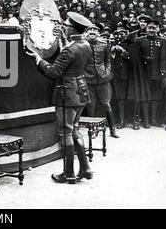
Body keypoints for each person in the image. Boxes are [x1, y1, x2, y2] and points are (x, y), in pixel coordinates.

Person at [27, 12, 94, 184]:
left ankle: (68, 173)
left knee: (65, 132)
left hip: (67, 94)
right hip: (81, 91)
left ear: (72, 28)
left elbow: (53, 72)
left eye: (66, 25)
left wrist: (39, 59)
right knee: (74, 130)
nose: (64, 26)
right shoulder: (85, 44)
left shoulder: (70, 49)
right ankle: (85, 168)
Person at [84, 23, 119, 138]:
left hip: (103, 78)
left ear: (98, 33)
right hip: (88, 78)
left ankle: (112, 129)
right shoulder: (83, 45)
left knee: (106, 104)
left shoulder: (103, 45)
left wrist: (107, 71)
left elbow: (107, 60)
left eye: (95, 30)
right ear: (87, 32)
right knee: (91, 105)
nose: (92, 32)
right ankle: (93, 129)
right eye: (90, 30)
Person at [135, 16, 166, 128]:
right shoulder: (139, 41)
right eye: (149, 28)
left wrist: (163, 70)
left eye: (154, 28)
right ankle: (145, 120)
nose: (151, 30)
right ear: (146, 29)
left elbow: (164, 57)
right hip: (144, 73)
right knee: (145, 96)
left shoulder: (162, 41)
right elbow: (137, 57)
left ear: (157, 29)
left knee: (156, 97)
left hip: (157, 73)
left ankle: (153, 120)